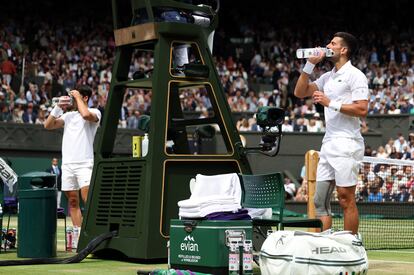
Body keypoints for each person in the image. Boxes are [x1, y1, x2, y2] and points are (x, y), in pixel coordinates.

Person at [294, 32, 369, 234]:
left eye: (333, 43)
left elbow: (362, 109)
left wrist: (330, 103)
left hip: (348, 143)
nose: (328, 45)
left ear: (343, 50)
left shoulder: (356, 75)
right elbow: (299, 93)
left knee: (345, 198)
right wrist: (309, 65)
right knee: (319, 201)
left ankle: (351, 245)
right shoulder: (327, 77)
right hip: (328, 144)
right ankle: (323, 245)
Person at [44, 85, 101, 247]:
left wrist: (76, 96)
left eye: (77, 96)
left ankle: (93, 234)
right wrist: (57, 108)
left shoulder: (95, 112)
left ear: (85, 98)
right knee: (73, 202)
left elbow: (85, 114)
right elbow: (47, 125)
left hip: (85, 164)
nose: (72, 99)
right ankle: (79, 237)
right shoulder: (68, 116)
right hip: (68, 164)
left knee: (87, 200)